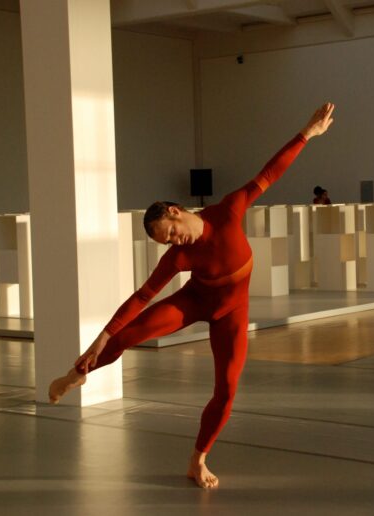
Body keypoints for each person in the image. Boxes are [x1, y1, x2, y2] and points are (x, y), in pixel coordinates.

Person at [48, 103, 335, 489]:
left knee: (227, 390)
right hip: (194, 301)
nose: (173, 241)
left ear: (174, 211)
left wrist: (307, 133)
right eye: (166, 242)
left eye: (170, 233)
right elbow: (141, 297)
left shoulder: (228, 211)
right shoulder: (179, 257)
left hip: (232, 311)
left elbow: (270, 172)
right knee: (128, 334)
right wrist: (101, 338)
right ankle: (76, 374)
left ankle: (197, 460)